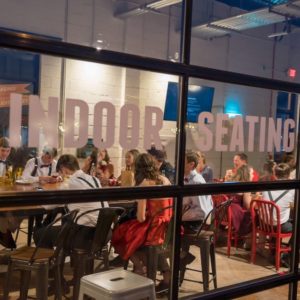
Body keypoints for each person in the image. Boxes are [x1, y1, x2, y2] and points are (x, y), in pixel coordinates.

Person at [111, 153, 173, 289]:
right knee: (132, 236)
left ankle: (140, 268)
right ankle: (164, 273)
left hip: (152, 230)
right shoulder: (165, 180)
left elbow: (141, 218)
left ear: (138, 168)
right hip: (165, 229)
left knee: (119, 234)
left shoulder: (145, 183)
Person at [33, 154, 108, 250]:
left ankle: (53, 263)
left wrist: (37, 195)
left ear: (63, 169)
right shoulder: (94, 179)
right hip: (104, 233)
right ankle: (64, 258)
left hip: (86, 235)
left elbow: (48, 205)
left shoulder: (69, 183)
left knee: (40, 234)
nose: (60, 175)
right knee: (66, 222)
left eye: (60, 172)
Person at [181, 151, 213, 268]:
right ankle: (180, 258)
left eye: (182, 161)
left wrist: (180, 215)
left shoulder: (196, 181)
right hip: (188, 221)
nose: (178, 163)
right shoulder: (186, 178)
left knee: (164, 231)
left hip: (194, 225)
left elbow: (201, 212)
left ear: (191, 165)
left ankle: (178, 260)